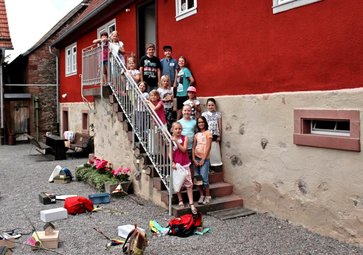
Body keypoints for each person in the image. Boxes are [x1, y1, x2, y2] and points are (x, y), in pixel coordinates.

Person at [170, 122, 197, 214]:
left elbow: (184, 149)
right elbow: (169, 152)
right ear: (172, 130)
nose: (178, 130)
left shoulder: (184, 138)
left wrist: (176, 141)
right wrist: (172, 162)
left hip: (185, 164)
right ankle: (180, 200)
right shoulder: (169, 140)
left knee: (188, 183)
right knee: (178, 183)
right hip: (176, 165)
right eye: (176, 129)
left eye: (180, 129)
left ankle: (191, 202)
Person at [192, 116, 212, 205]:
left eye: (202, 122)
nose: (201, 124)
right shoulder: (196, 135)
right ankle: (201, 195)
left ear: (205, 123)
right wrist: (193, 159)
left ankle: (208, 196)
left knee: (204, 177)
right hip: (196, 158)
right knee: (197, 177)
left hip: (204, 159)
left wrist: (203, 159)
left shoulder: (208, 133)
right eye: (199, 122)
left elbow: (208, 147)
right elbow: (193, 147)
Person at [202, 98, 223, 167]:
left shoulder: (218, 114)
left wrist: (219, 136)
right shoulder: (204, 114)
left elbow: (219, 125)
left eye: (212, 105)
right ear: (206, 106)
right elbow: (203, 125)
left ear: (215, 106)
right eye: (209, 105)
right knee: (207, 150)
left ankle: (214, 166)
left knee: (214, 150)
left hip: (215, 135)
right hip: (207, 135)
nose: (210, 107)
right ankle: (208, 166)